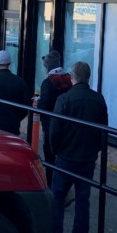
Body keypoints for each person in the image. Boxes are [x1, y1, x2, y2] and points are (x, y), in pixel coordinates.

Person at [49, 61, 108, 233]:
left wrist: (55, 150)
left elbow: (54, 130)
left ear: (72, 77)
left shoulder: (64, 99)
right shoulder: (98, 100)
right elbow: (103, 131)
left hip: (66, 156)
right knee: (83, 202)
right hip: (87, 158)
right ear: (88, 77)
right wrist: (96, 150)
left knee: (57, 197)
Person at [37, 50, 72, 187]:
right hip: (67, 124)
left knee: (50, 156)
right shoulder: (68, 79)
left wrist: (38, 102)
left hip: (50, 124)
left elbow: (44, 105)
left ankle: (51, 185)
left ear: (47, 66)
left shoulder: (47, 83)